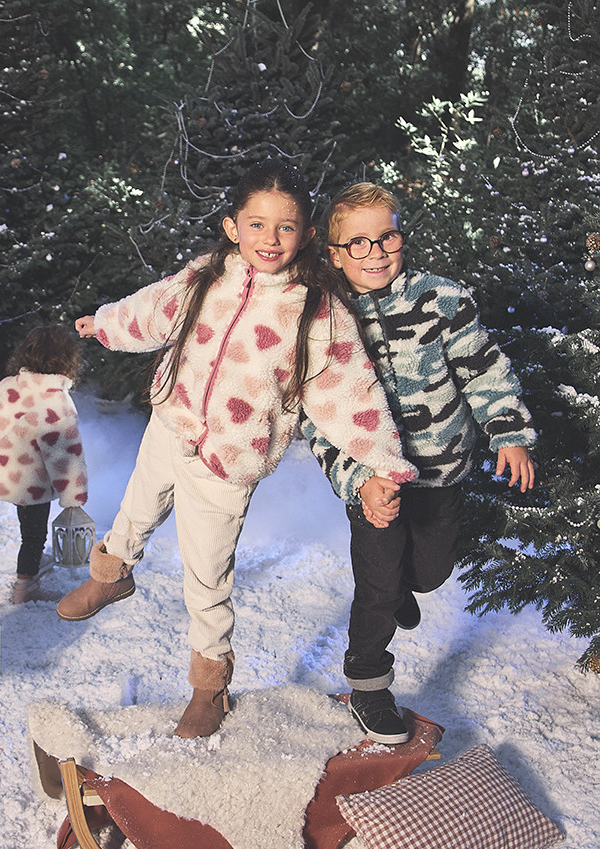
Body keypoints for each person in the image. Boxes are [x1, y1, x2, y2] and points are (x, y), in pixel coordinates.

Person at [56, 159, 419, 738]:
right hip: (172, 419)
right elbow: (153, 308)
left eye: (286, 226)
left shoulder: (312, 309)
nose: (270, 239)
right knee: (136, 507)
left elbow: (350, 390)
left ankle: (208, 685)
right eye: (257, 224)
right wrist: (104, 323)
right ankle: (111, 572)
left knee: (206, 575)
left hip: (229, 457)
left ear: (306, 235)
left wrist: (382, 461)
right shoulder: (205, 275)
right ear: (233, 227)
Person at [302, 182, 536, 744]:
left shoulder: (443, 299)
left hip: (443, 470)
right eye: (358, 243)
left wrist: (509, 432)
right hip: (376, 484)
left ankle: (409, 583)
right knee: (378, 586)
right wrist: (359, 480)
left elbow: (484, 370)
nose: (376, 252)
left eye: (387, 237)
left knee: (427, 574)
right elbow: (316, 418)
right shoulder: (320, 321)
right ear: (334, 254)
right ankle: (369, 685)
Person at [0, 324, 88, 604]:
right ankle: (25, 587)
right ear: (67, 361)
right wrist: (74, 496)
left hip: (9, 477)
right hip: (34, 483)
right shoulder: (56, 399)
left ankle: (32, 561)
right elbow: (66, 453)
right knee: (33, 535)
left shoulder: (9, 387)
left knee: (29, 526)